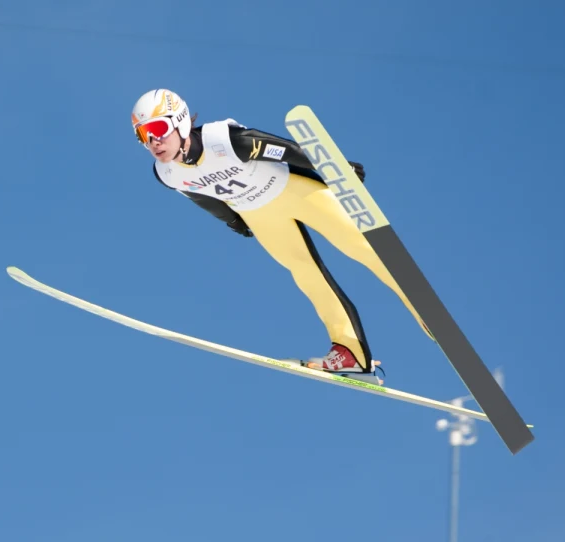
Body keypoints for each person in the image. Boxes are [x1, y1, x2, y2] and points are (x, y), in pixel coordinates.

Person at [130, 88, 433, 379]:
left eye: (157, 127)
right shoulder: (168, 174)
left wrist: (335, 168)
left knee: (361, 246)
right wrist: (234, 221)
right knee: (306, 275)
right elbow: (202, 196)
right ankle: (350, 351)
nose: (153, 140)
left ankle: (424, 309)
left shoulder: (223, 141)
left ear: (180, 121)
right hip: (259, 215)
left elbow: (285, 150)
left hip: (296, 191)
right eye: (144, 135)